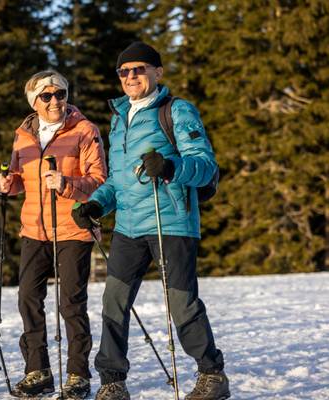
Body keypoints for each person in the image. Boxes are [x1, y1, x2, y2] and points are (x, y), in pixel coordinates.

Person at [72, 42, 229, 400]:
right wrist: (95, 205)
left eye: (139, 69)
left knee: (182, 303)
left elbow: (205, 166)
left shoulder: (177, 111)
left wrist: (171, 167)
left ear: (158, 72)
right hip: (128, 226)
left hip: (170, 221)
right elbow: (118, 179)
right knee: (113, 302)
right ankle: (112, 381)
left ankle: (212, 375)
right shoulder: (118, 117)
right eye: (124, 72)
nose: (131, 77)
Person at [0, 70, 107, 399]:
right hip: (34, 229)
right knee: (28, 299)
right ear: (34, 101)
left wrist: (67, 184)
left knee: (70, 304)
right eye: (47, 96)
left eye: (60, 94)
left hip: (73, 228)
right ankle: (38, 371)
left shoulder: (85, 131)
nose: (55, 101)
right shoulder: (23, 135)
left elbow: (100, 181)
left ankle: (77, 376)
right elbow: (18, 180)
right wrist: (7, 185)